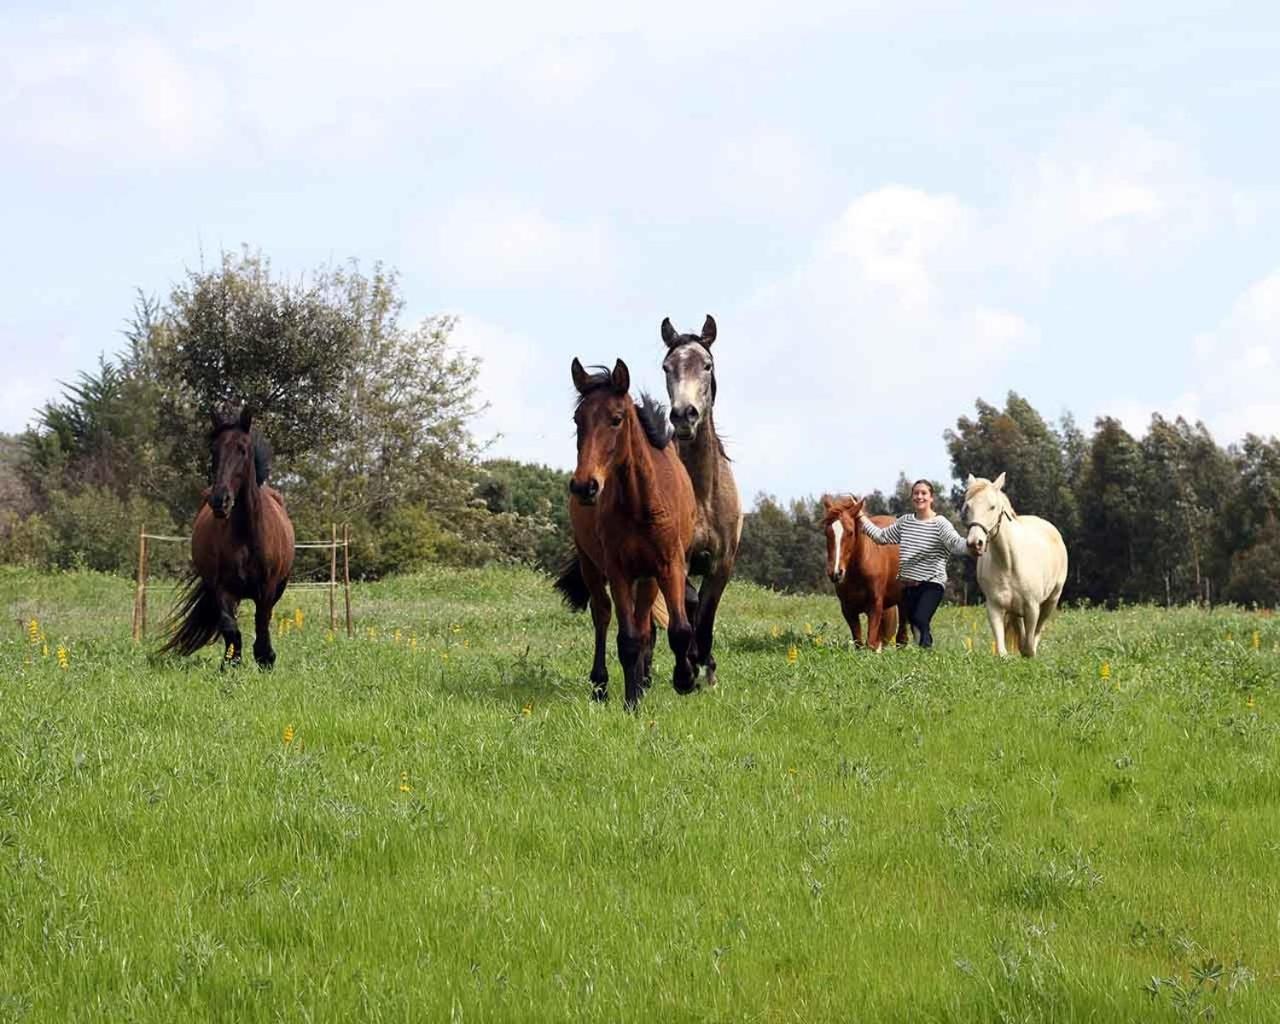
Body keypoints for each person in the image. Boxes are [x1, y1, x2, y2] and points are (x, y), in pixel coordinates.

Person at [856, 479, 972, 648]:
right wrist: (861, 517)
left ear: (931, 498)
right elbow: (881, 537)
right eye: (916, 493)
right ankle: (922, 658)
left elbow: (956, 544)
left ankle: (928, 653)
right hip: (908, 586)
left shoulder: (940, 523)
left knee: (920, 618)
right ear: (912, 498)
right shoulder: (905, 522)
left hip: (931, 584)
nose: (920, 497)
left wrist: (971, 545)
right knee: (914, 625)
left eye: (924, 493)